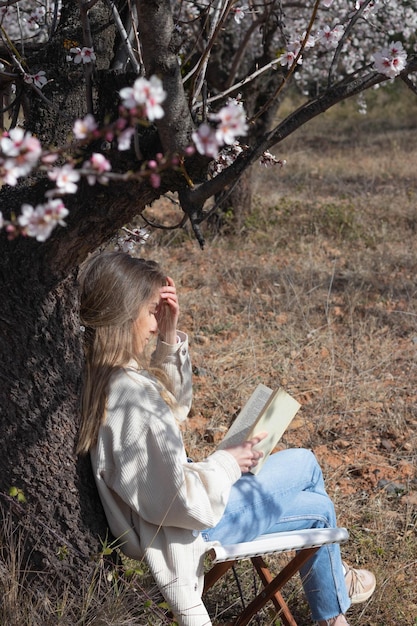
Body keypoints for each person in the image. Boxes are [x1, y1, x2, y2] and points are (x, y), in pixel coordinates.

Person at [76, 250, 376, 626]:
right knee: (305, 463)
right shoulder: (130, 396)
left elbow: (171, 410)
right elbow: (178, 503)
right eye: (153, 312)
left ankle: (335, 614)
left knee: (318, 509)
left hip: (174, 525)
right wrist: (228, 463)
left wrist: (169, 336)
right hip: (190, 529)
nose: (155, 325)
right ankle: (336, 599)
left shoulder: (106, 377)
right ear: (125, 311)